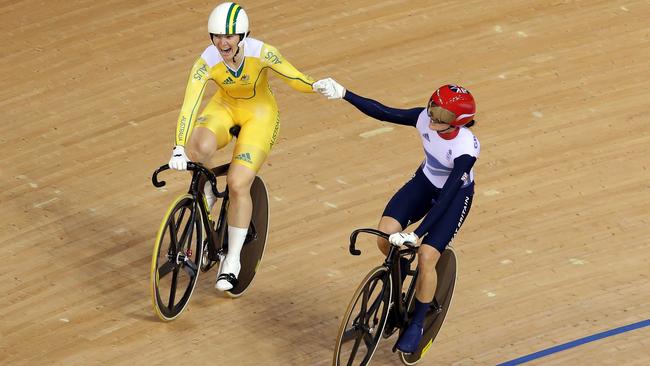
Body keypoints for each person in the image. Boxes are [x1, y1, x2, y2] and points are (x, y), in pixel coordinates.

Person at [313, 79, 480, 354]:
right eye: (433, 107)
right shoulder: (424, 119)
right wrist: (344, 93)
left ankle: (417, 322)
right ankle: (396, 285)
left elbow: (448, 194)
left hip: (454, 198)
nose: (433, 116)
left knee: (427, 255)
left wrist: (417, 233)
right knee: (385, 235)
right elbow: (384, 112)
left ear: (458, 122)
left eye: (442, 115)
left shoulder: (466, 148)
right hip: (425, 183)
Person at [168, 2, 319, 291]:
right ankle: (209, 188)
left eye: (230, 36)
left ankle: (233, 259)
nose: (223, 42)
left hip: (259, 115)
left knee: (238, 183)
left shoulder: (262, 53)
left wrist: (316, 85)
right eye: (217, 36)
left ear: (243, 36)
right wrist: (178, 146)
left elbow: (295, 77)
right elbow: (190, 106)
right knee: (195, 149)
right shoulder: (206, 62)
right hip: (224, 107)